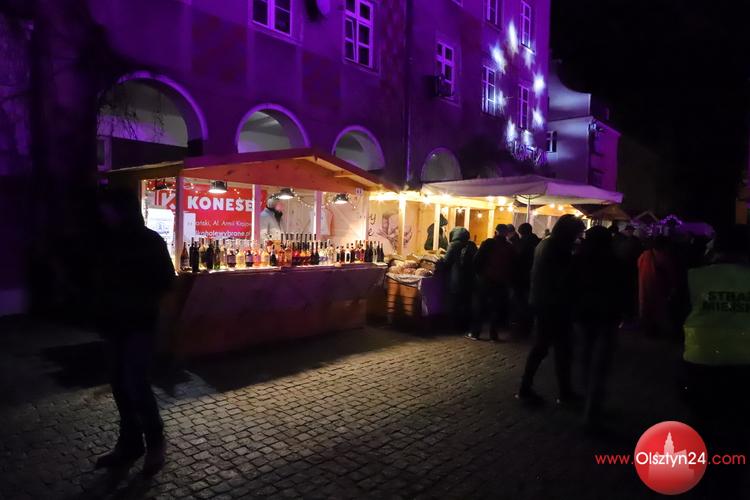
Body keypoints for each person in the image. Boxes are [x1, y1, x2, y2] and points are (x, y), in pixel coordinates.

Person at [94, 188, 175, 476]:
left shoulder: (149, 241)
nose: (104, 214)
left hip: (140, 323)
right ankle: (129, 443)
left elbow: (166, 282)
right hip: (115, 323)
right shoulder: (107, 240)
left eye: (108, 208)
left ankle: (155, 442)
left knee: (136, 383)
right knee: (119, 383)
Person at [682, 225, 750, 496]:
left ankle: (700, 478)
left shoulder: (696, 277)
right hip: (744, 365)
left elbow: (677, 312)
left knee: (703, 423)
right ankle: (730, 480)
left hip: (701, 360)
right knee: (738, 427)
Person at [516, 215, 586, 405]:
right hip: (554, 305)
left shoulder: (546, 243)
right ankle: (554, 391)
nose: (578, 237)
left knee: (547, 347)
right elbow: (564, 278)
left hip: (544, 302)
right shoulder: (558, 248)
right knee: (553, 348)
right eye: (577, 233)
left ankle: (534, 387)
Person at [570, 226, 624, 427]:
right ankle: (592, 408)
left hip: (584, 315)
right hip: (607, 317)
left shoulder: (578, 260)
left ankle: (587, 399)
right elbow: (623, 290)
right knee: (600, 364)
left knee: (585, 357)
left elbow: (569, 286)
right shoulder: (615, 262)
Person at [468, 224, 515, 341]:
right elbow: (512, 265)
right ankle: (494, 334)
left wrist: (479, 274)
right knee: (496, 308)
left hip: (485, 279)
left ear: (495, 231)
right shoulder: (509, 247)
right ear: (506, 233)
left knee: (480, 305)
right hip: (501, 281)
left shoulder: (488, 243)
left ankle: (475, 333)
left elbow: (477, 260)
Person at [637, 236, 679, 337]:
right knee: (658, 311)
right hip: (657, 288)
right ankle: (656, 331)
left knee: (646, 308)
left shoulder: (644, 255)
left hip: (643, 285)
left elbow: (638, 265)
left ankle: (648, 330)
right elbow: (671, 273)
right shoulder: (663, 257)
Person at [440, 227, 477, 330]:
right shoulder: (472, 245)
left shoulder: (453, 245)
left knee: (455, 303)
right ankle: (466, 325)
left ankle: (455, 326)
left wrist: (439, 261)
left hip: (456, 278)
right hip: (469, 279)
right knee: (466, 302)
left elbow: (446, 261)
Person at [511, 223, 540, 336]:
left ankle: (522, 327)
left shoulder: (523, 243)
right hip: (532, 277)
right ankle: (528, 326)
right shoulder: (537, 242)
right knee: (528, 302)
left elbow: (517, 259)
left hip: (521, 277)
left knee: (520, 302)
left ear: (521, 232)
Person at [614, 224, 642, 324]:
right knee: (627, 292)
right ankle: (627, 313)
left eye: (632, 230)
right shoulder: (627, 240)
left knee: (626, 292)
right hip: (627, 270)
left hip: (627, 270)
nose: (631, 232)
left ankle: (626, 313)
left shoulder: (623, 240)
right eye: (630, 230)